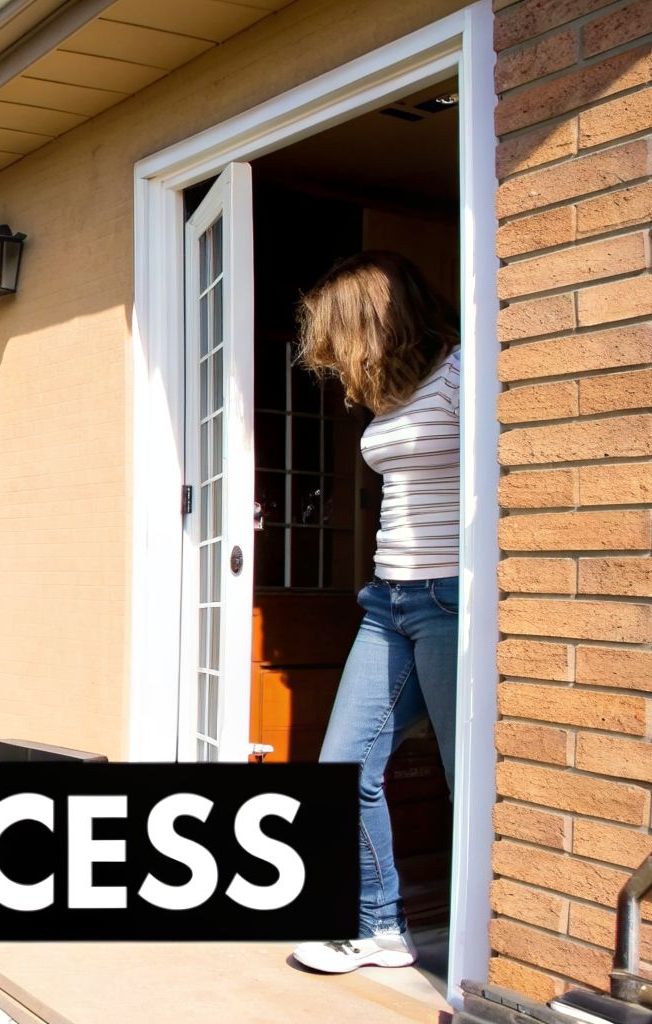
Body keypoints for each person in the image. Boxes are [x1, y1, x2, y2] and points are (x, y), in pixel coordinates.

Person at [288, 251, 460, 974]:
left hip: (450, 599)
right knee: (344, 768)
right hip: (388, 601)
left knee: (468, 775)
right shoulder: (398, 395)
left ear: (374, 322)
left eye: (338, 337)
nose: (333, 359)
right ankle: (378, 926)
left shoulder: (465, 375)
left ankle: (494, 946)